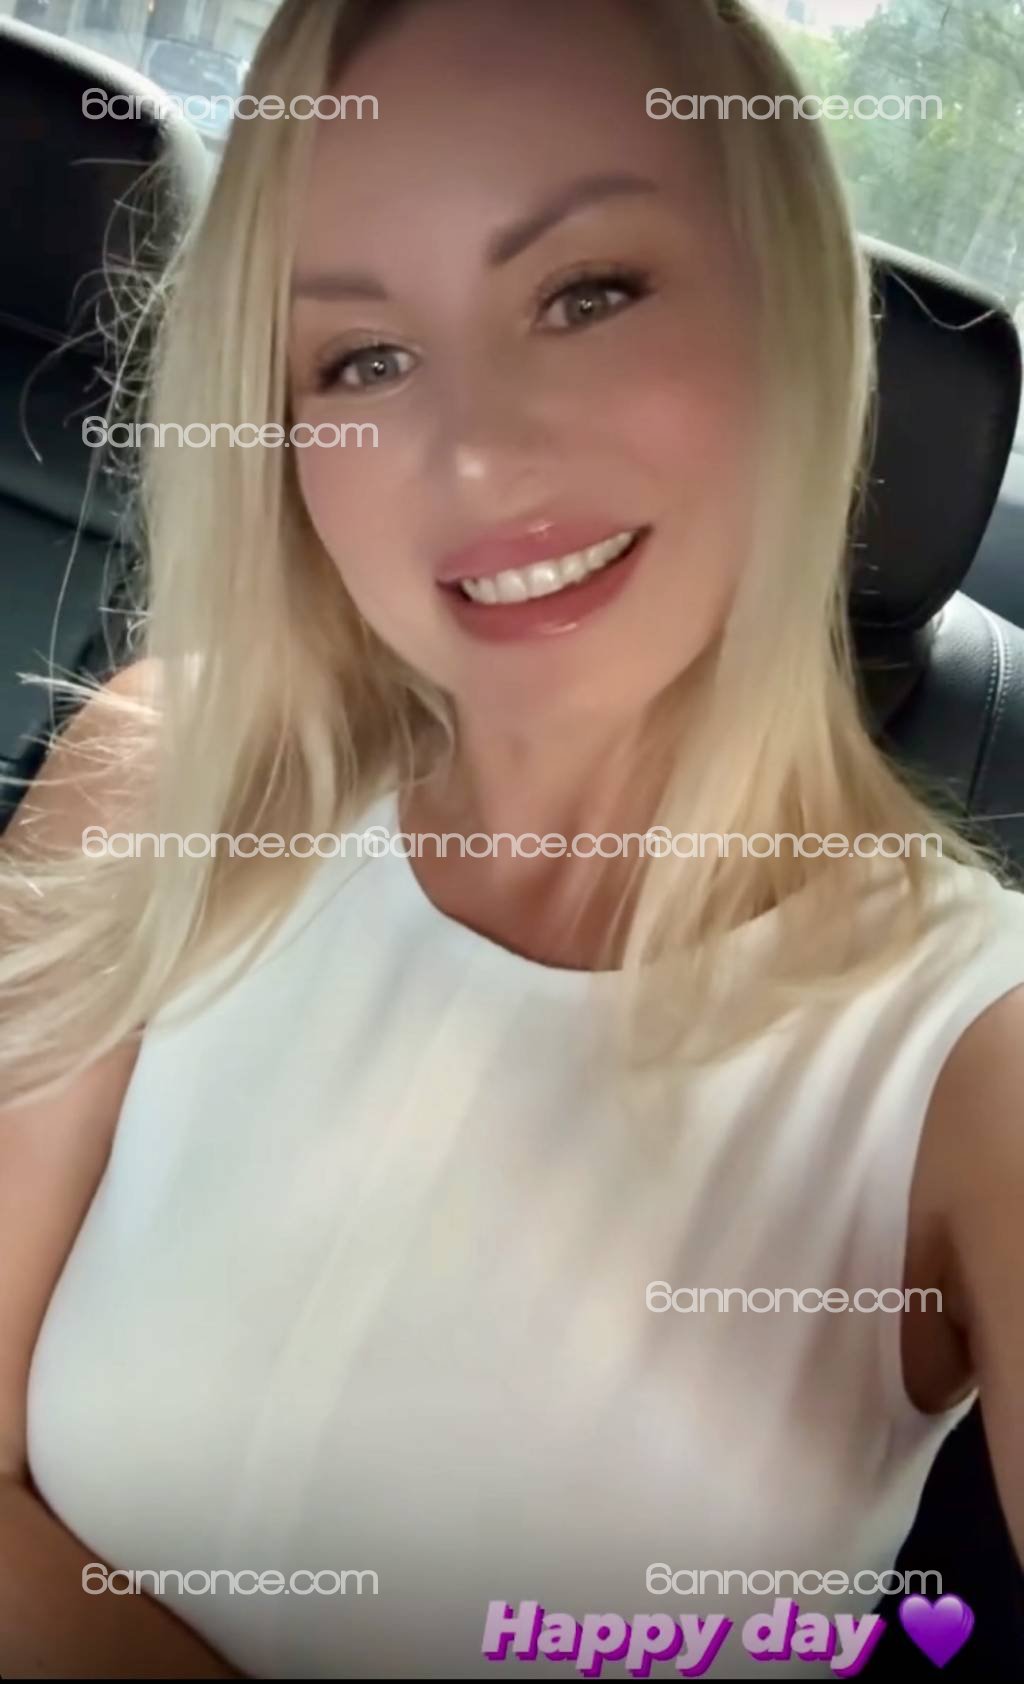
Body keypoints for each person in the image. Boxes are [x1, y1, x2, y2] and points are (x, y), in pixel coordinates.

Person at [1, 0, 1023, 1677]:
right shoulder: (161, 777)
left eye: (589, 293)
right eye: (361, 359)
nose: (475, 453)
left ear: (786, 323)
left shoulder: (975, 1056)